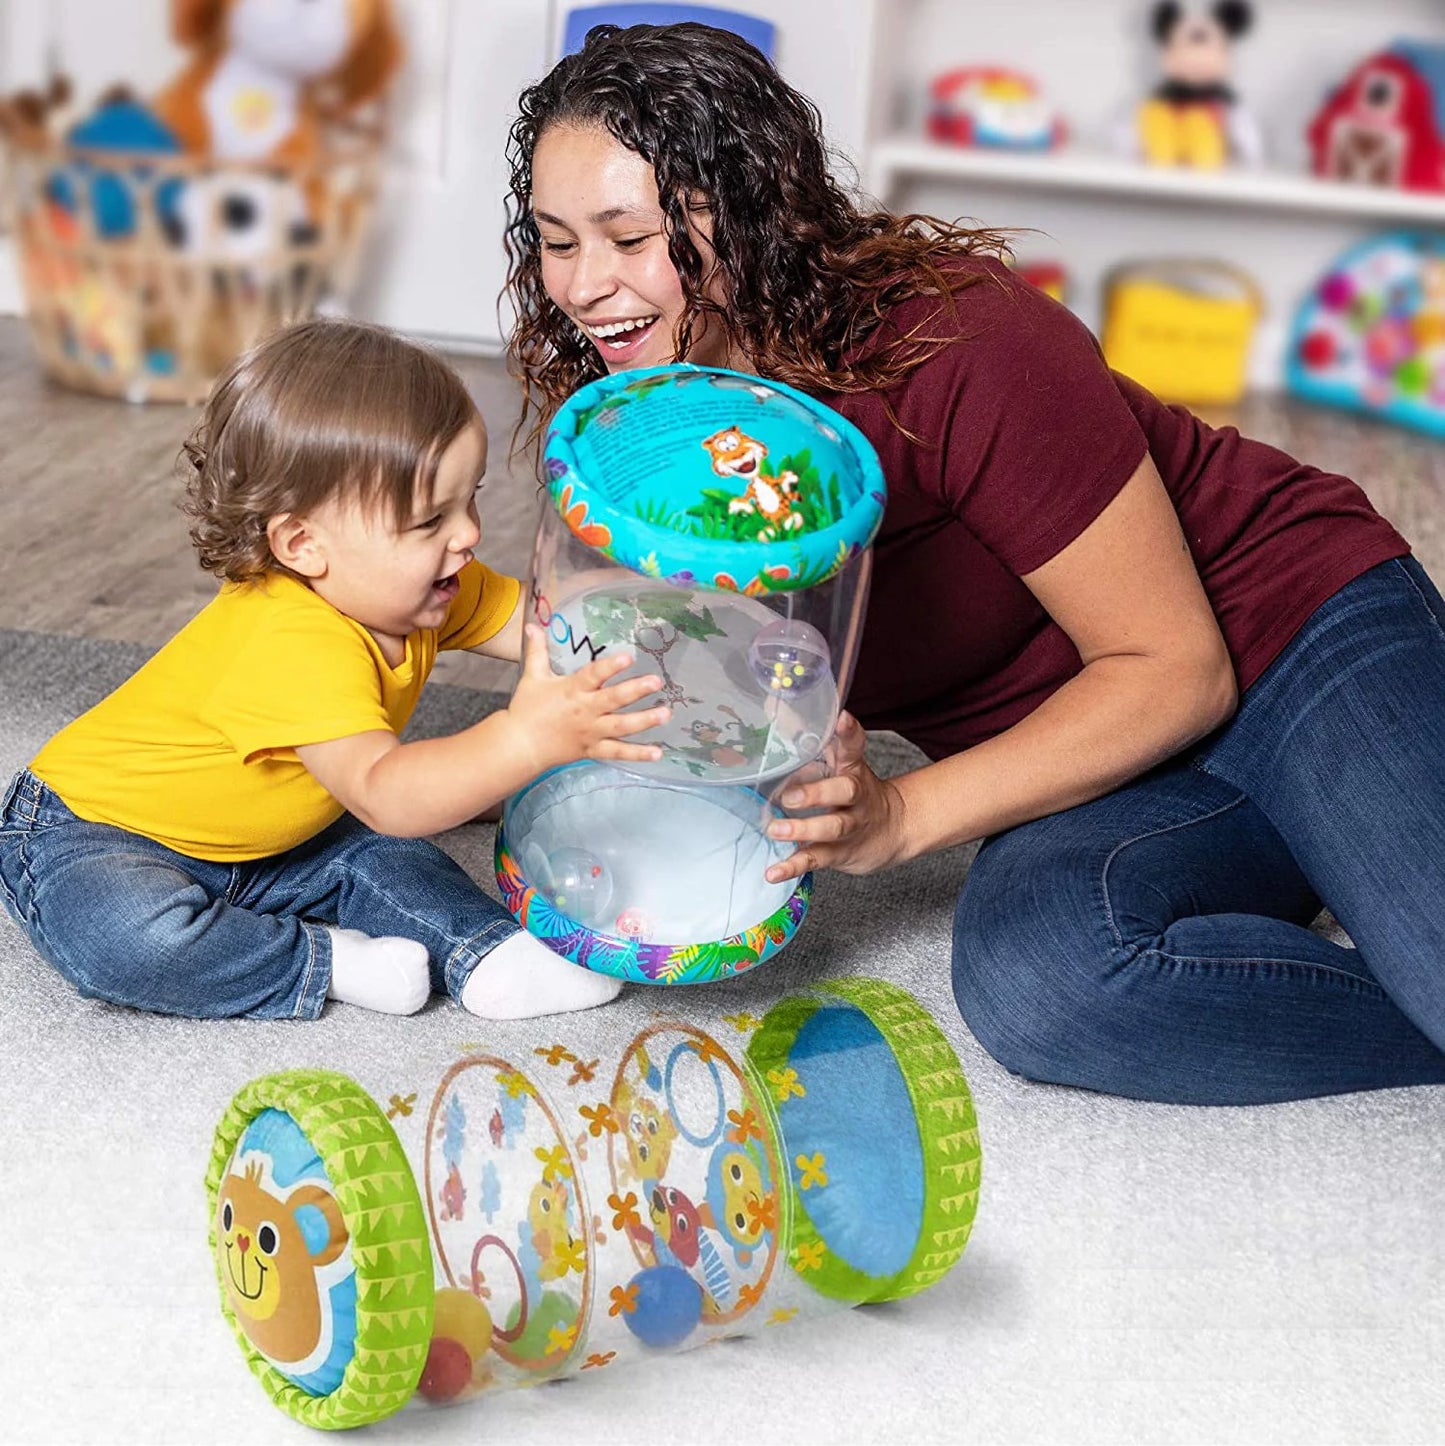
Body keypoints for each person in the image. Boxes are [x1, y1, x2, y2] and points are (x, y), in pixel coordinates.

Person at [501, 21, 1445, 1104]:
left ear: (751, 217)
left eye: (627, 237)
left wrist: (899, 818)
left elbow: (1175, 668)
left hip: (1287, 641)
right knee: (1040, 982)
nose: (581, 286)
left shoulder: (963, 342)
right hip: (1092, 757)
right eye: (555, 240)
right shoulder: (631, 426)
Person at [0, 320, 670, 1022]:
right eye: (427, 521)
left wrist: (629, 641)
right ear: (302, 543)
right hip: (92, 832)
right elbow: (388, 797)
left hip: (281, 837)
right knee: (127, 943)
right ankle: (323, 961)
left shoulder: (426, 586)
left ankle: (484, 954)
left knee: (383, 860)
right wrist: (524, 741)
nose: (469, 533)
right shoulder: (291, 643)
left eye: (466, 499)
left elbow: (543, 629)